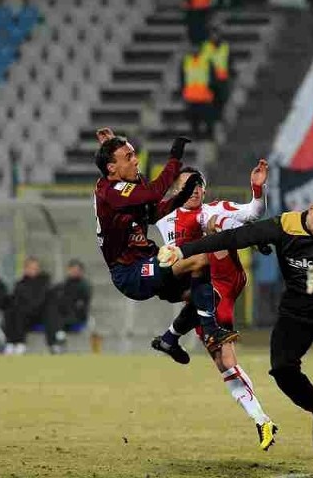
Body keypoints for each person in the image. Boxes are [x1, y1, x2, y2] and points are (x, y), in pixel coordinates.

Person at [157, 191, 313, 478]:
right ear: (312, 210)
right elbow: (232, 239)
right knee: (282, 370)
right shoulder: (284, 225)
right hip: (295, 315)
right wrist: (183, 251)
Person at [151, 160, 279, 451]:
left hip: (223, 282)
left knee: (228, 359)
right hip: (199, 291)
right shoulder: (164, 216)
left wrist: (258, 189)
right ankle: (261, 420)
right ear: (175, 190)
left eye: (198, 185)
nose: (194, 191)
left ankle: (170, 337)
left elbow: (253, 212)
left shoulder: (213, 211)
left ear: (205, 189)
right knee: (224, 365)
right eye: (187, 186)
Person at [93, 127, 235, 352]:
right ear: (112, 168)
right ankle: (211, 333)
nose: (136, 161)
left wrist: (181, 196)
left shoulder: (122, 184)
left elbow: (154, 212)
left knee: (207, 295)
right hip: (130, 273)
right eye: (129, 157)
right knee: (200, 259)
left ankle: (169, 340)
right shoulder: (111, 192)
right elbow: (153, 193)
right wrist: (174, 159)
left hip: (147, 258)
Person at [4, 257, 50, 355]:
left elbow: (39, 301)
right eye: (30, 267)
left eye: (35, 268)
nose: (32, 270)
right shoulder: (20, 283)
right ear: (25, 269)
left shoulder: (43, 283)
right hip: (23, 313)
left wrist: (24, 304)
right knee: (10, 312)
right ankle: (10, 343)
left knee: (20, 312)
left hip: (38, 314)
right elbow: (14, 300)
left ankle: (20, 343)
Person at [44, 259, 91, 354]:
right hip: (61, 314)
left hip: (76, 315)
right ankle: (55, 341)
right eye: (72, 269)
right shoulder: (63, 284)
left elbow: (80, 303)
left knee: (56, 314)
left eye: (77, 270)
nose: (74, 272)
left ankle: (57, 339)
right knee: (51, 312)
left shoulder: (84, 286)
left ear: (81, 272)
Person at [180, 42, 216, 139]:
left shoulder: (206, 61)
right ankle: (196, 136)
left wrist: (212, 91)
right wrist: (183, 92)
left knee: (207, 119)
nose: (194, 50)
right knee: (193, 121)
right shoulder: (186, 61)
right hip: (191, 96)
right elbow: (182, 78)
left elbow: (212, 78)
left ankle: (208, 135)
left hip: (204, 96)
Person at [201, 25, 232, 122]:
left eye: (215, 34)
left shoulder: (225, 47)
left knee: (222, 102)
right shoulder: (206, 47)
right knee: (211, 103)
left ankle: (219, 119)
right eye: (212, 35)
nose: (214, 37)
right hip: (210, 80)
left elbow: (229, 61)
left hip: (222, 80)